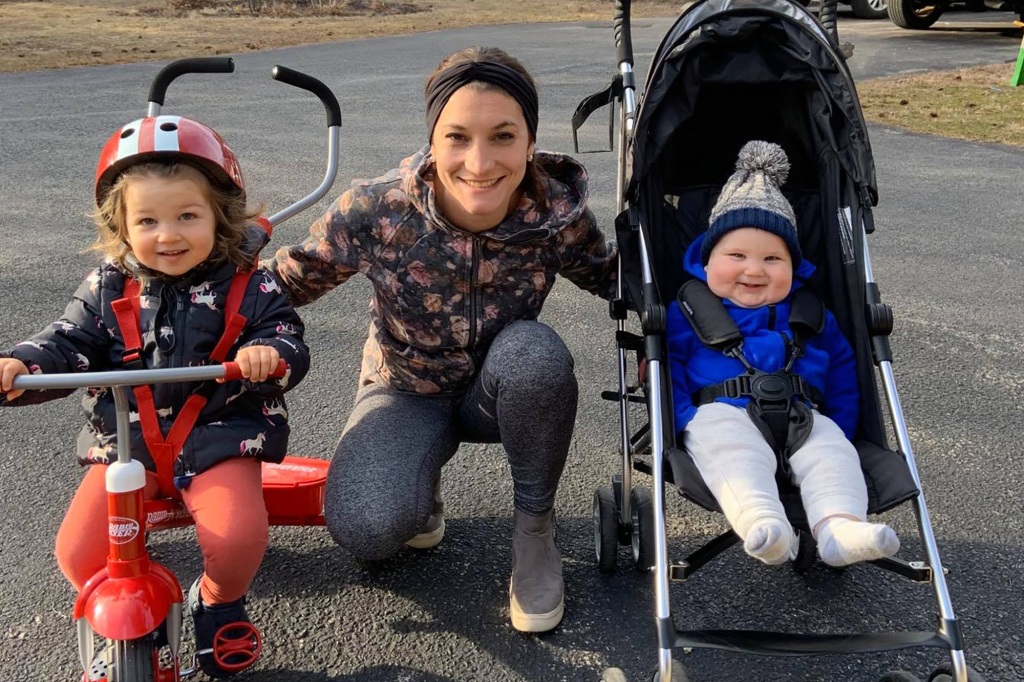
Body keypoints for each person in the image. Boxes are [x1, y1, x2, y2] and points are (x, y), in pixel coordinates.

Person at [263, 46, 617, 633]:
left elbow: (614, 277)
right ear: (433, 141)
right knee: (367, 529)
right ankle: (418, 491)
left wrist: (729, 280)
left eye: (503, 136)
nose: (479, 162)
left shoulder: (555, 213)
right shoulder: (377, 210)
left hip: (501, 389)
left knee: (536, 355)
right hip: (405, 389)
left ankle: (534, 530)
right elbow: (285, 282)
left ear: (530, 140)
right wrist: (190, 290)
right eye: (458, 137)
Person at [0, 116, 310, 677]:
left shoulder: (251, 282)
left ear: (221, 214)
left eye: (187, 216)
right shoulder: (107, 288)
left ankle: (216, 602)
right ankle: (123, 602)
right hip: (128, 445)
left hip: (220, 437)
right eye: (147, 220)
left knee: (238, 538)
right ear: (120, 226)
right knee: (77, 555)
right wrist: (23, 362)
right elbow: (70, 339)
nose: (167, 235)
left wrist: (271, 353)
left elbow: (285, 335)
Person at [665, 140, 899, 568]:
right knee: (731, 453)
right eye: (736, 255)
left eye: (773, 258)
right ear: (707, 259)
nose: (754, 269)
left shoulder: (811, 312)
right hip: (721, 411)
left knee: (832, 455)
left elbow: (845, 372)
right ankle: (763, 522)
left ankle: (839, 528)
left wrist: (842, 428)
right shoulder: (688, 310)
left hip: (803, 414)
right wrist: (682, 420)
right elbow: (671, 370)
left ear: (793, 266)